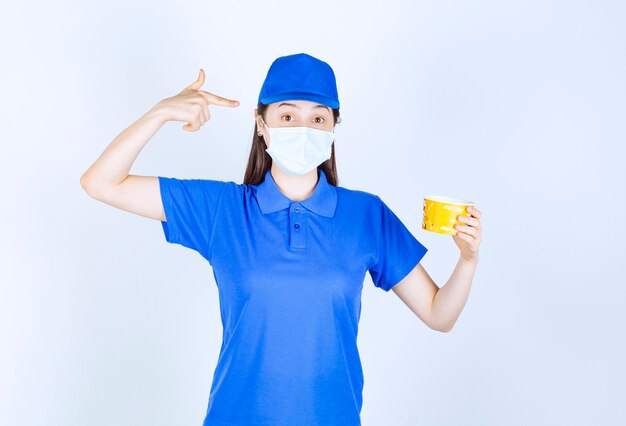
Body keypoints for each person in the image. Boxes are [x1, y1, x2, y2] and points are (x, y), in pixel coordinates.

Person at [80, 52, 482, 426]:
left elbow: (438, 315)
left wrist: (466, 260)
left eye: (318, 119)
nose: (303, 129)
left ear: (333, 129)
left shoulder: (366, 216)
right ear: (261, 124)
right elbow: (101, 182)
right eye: (287, 117)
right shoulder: (223, 209)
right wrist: (159, 113)